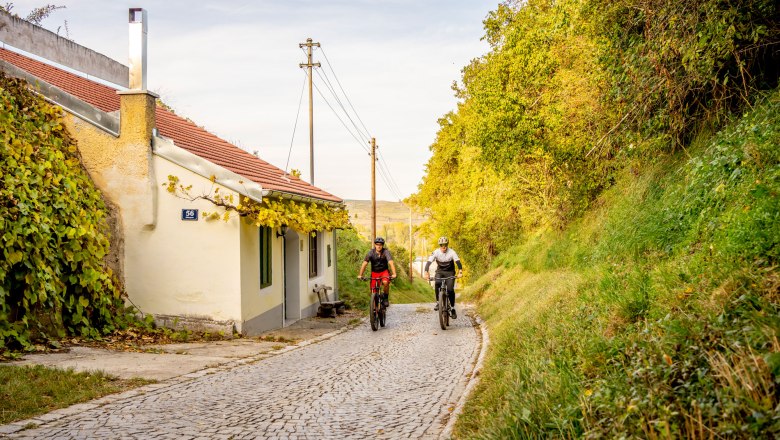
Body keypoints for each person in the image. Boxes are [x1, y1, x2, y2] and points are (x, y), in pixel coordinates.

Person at [424, 236, 463, 319]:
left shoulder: (452, 252)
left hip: (450, 272)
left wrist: (460, 271)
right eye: (441, 245)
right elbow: (428, 262)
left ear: (447, 244)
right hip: (440, 272)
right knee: (437, 283)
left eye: (445, 244)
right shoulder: (436, 252)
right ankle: (438, 302)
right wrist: (426, 272)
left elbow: (458, 262)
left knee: (450, 289)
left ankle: (452, 308)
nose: (443, 247)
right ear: (439, 245)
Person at [358, 237, 397, 307]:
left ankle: (385, 298)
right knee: (373, 290)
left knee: (385, 283)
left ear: (382, 245)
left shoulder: (386, 252)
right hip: (374, 273)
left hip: (384, 271)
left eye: (380, 244)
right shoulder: (370, 253)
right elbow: (364, 264)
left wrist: (394, 274)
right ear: (375, 245)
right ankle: (374, 308)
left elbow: (391, 263)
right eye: (377, 244)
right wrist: (360, 275)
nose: (379, 246)